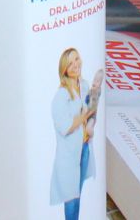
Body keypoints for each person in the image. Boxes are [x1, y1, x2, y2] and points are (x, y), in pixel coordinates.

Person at [48, 48, 98, 220]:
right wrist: (84, 115)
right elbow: (66, 127)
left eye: (76, 59)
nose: (75, 65)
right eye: (70, 64)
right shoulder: (60, 96)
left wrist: (90, 120)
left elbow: (91, 114)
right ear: (64, 70)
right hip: (68, 156)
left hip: (84, 149)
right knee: (71, 200)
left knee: (77, 196)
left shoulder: (84, 85)